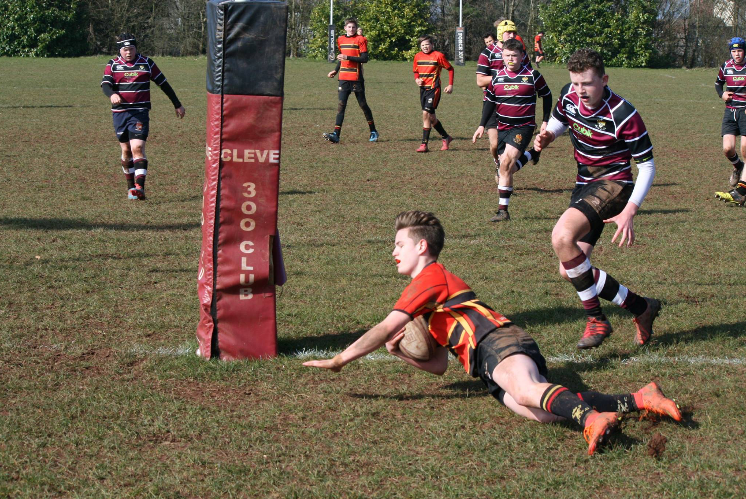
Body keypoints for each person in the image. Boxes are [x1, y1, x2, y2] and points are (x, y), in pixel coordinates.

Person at [303, 210, 682, 456]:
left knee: (525, 391)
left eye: (399, 245)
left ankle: (589, 419)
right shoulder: (427, 306)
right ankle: (639, 398)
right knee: (540, 412)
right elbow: (437, 365)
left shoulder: (430, 278)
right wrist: (400, 352)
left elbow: (386, 325)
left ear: (422, 246)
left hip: (497, 341)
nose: (393, 252)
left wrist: (341, 359)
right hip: (485, 363)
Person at [533, 49, 660, 349]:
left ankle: (597, 319)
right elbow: (559, 121)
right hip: (585, 185)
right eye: (575, 84)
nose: (580, 91)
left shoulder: (623, 114)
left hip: (614, 185)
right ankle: (642, 308)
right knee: (570, 268)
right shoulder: (569, 97)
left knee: (562, 236)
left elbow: (647, 166)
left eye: (587, 84)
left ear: (604, 79)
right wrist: (548, 136)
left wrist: (631, 209)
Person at [472, 39, 551, 221]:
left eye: (514, 55)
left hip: (523, 127)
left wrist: (545, 120)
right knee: (505, 169)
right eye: (507, 55)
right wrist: (482, 125)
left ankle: (503, 211)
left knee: (506, 164)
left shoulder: (533, 75)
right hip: (503, 127)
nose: (511, 59)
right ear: (502, 56)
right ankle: (532, 154)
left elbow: (546, 95)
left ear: (522, 56)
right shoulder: (497, 77)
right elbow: (490, 101)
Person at [101, 33, 185, 200]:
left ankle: (140, 187)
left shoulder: (146, 63)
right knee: (126, 151)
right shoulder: (113, 64)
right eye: (125, 49)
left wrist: (177, 104)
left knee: (137, 148)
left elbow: (163, 83)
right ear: (120, 50)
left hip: (140, 113)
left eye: (131, 48)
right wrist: (111, 95)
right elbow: (105, 84)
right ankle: (130, 186)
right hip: (120, 114)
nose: (129, 52)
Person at [323, 18, 379, 144]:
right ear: (345, 28)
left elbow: (364, 58)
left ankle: (373, 131)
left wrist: (347, 57)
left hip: (356, 78)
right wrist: (335, 70)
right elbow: (342, 58)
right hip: (343, 78)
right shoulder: (340, 39)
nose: (351, 29)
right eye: (349, 27)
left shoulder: (361, 40)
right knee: (341, 105)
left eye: (354, 27)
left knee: (363, 105)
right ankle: (336, 134)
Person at [715, 37, 746, 205]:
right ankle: (738, 167)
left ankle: (741, 190)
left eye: (740, 51)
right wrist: (722, 94)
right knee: (728, 149)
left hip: (745, 112)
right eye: (734, 51)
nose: (737, 54)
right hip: (730, 112)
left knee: (745, 149)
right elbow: (718, 84)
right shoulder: (726, 66)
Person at [413, 35, 454, 152]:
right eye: (423, 45)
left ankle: (424, 145)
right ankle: (446, 137)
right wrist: (417, 79)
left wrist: (450, 84)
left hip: (434, 89)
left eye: (427, 44)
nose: (425, 47)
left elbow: (450, 69)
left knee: (426, 114)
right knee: (431, 117)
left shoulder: (438, 56)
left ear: (432, 45)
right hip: (423, 90)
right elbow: (416, 71)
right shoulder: (417, 56)